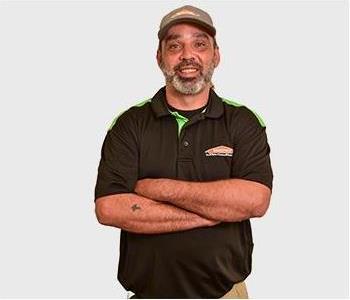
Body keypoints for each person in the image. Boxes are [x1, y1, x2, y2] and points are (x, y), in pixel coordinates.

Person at [94, 5, 273, 299]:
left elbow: (255, 201)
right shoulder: (129, 124)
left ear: (215, 55)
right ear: (159, 57)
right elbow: (109, 207)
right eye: (175, 45)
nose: (187, 55)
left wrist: (156, 188)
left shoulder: (243, 121)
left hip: (226, 295)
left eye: (199, 44)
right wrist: (213, 213)